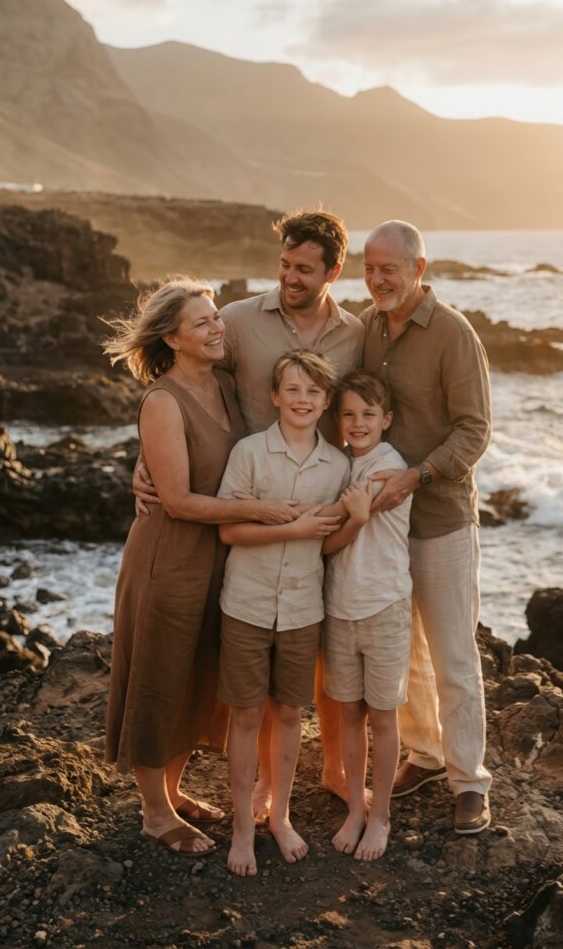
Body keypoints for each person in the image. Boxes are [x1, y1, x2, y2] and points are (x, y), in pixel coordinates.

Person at [133, 210, 364, 814]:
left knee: (219, 667)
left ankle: (292, 781)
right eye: (283, 264)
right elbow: (169, 388)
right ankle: (168, 806)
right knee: (178, 668)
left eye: (303, 268)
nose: (289, 276)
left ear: (333, 271)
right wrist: (146, 461)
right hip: (237, 518)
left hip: (299, 506)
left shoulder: (357, 334)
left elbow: (375, 404)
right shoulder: (237, 321)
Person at [102, 278, 303, 857]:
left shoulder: (221, 383)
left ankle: (174, 788)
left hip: (217, 557)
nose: (218, 328)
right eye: (203, 323)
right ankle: (153, 811)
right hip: (170, 556)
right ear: (172, 338)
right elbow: (180, 499)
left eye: (217, 318)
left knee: (196, 676)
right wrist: (259, 509)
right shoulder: (162, 400)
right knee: (159, 676)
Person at [361, 220, 493, 836]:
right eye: (369, 267)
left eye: (390, 267)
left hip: (439, 517)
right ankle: (424, 754)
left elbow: (474, 429)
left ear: (419, 267)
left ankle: (470, 782)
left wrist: (417, 476)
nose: (378, 278)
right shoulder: (366, 328)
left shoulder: (452, 333)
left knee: (452, 655)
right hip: (385, 525)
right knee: (402, 651)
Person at [216, 351, 349, 877]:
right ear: (274, 396)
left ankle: (281, 817)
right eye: (292, 390)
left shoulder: (338, 465)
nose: (302, 400)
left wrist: (354, 518)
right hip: (245, 603)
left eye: (313, 392)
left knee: (290, 713)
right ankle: (242, 828)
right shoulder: (249, 453)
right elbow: (229, 531)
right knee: (247, 715)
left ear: (326, 402)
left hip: (301, 608)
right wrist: (291, 529)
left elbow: (333, 541)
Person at [321, 370, 413, 861]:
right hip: (339, 607)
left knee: (382, 716)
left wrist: (351, 515)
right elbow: (331, 542)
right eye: (349, 414)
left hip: (383, 606)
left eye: (368, 415)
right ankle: (356, 807)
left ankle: (380, 816)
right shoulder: (339, 467)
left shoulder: (387, 468)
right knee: (348, 714)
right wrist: (350, 516)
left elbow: (336, 526)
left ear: (387, 420)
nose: (358, 423)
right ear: (338, 419)